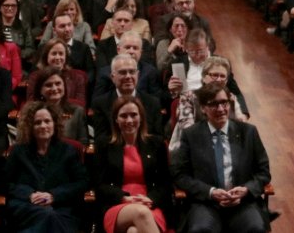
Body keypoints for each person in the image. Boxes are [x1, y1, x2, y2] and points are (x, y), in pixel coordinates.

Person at [171, 82, 271, 233]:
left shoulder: (248, 132)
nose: (220, 109)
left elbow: (264, 172)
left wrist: (246, 190)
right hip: (205, 203)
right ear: (203, 108)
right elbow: (179, 175)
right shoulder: (191, 135)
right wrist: (210, 192)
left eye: (224, 102)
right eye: (213, 104)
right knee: (200, 229)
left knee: (255, 228)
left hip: (242, 203)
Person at [4, 101, 88, 233]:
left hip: (60, 207)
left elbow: (81, 183)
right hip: (27, 208)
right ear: (30, 126)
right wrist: (29, 194)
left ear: (54, 124)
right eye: (37, 123)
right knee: (48, 215)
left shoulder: (68, 151)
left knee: (52, 216)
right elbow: (6, 183)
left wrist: (54, 195)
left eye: (47, 121)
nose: (43, 126)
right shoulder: (18, 151)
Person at [94, 98, 172, 233]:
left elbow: (166, 183)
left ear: (141, 117)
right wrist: (123, 197)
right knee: (141, 214)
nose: (129, 120)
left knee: (133, 231)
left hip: (150, 205)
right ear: (116, 120)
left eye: (133, 115)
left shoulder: (156, 144)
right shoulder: (104, 145)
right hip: (117, 205)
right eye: (123, 116)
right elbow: (99, 184)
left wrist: (150, 199)